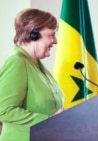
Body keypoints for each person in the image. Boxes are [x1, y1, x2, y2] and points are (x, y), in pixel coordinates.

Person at [0, 8, 64, 141]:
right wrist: (48, 121)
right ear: (33, 34)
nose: (56, 41)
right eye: (51, 35)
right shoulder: (17, 62)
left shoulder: (36, 64)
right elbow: (3, 110)